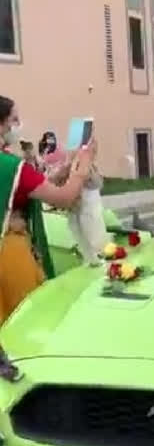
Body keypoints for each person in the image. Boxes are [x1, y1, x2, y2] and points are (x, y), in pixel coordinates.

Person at [0, 95, 95, 380]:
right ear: (1, 123)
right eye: (13, 119)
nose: (17, 125)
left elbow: (32, 187)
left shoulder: (15, 168)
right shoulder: (9, 166)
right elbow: (65, 198)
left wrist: (62, 171)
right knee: (25, 326)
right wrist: (82, 167)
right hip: (9, 253)